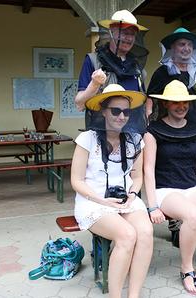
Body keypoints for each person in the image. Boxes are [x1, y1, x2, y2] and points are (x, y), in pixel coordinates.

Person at [71, 84, 152, 297]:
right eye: (116, 111)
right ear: (104, 111)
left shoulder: (135, 140)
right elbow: (76, 181)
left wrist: (133, 194)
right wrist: (103, 201)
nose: (122, 116)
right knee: (127, 235)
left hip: (125, 198)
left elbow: (137, 177)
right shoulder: (87, 139)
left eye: (126, 111)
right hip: (93, 200)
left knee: (145, 233)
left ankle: (134, 295)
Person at [143, 80, 196, 294]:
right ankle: (186, 269)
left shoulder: (195, 129)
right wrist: (152, 206)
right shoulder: (153, 131)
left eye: (184, 102)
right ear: (166, 104)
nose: (181, 106)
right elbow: (147, 170)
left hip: (190, 187)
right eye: (175, 102)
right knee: (193, 215)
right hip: (165, 189)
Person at [75, 9, 149, 133]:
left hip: (133, 137)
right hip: (102, 136)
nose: (128, 38)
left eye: (132, 34)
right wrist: (94, 84)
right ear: (111, 32)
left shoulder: (138, 69)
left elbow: (141, 106)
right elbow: (79, 104)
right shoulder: (93, 61)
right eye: (124, 32)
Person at [145, 27, 196, 148]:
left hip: (195, 131)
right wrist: (148, 130)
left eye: (189, 45)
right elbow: (149, 103)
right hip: (167, 133)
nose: (186, 48)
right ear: (172, 48)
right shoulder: (162, 72)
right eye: (182, 44)